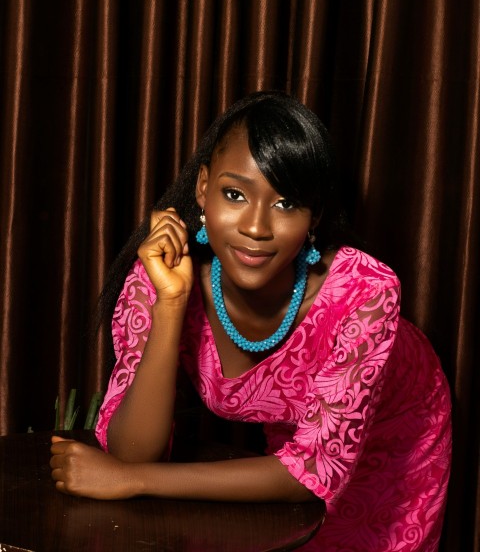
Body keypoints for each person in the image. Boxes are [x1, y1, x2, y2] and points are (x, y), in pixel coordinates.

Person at [50, 91, 451, 551]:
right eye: (235, 194)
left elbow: (311, 473)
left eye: (286, 204)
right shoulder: (164, 274)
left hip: (396, 435)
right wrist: (172, 304)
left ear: (314, 215)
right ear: (203, 188)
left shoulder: (366, 292)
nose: (257, 227)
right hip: (295, 435)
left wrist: (134, 481)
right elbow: (130, 450)